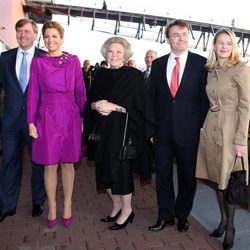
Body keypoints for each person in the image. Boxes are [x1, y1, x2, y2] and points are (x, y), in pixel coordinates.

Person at [88, 36, 155, 230]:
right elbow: (89, 102)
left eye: (118, 51)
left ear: (125, 54)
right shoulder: (100, 74)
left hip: (124, 130)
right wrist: (95, 106)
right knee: (103, 169)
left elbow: (141, 108)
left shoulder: (133, 75)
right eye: (110, 51)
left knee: (121, 171)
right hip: (102, 129)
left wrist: (114, 107)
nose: (114, 55)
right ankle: (116, 205)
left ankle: (127, 210)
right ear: (105, 53)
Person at [148, 20, 209, 233]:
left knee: (187, 177)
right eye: (175, 35)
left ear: (188, 36)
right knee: (163, 176)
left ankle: (182, 215)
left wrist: (200, 129)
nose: (180, 38)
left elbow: (204, 101)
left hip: (189, 133)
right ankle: (165, 216)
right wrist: (151, 130)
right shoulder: (157, 65)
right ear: (168, 39)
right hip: (162, 132)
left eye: (183, 34)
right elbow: (151, 100)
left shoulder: (202, 64)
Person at [27, 20, 86, 229]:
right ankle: (52, 206)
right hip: (47, 116)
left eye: (54, 36)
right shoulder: (38, 62)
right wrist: (31, 122)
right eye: (47, 36)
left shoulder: (73, 61)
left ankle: (67, 204)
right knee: (50, 164)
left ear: (61, 38)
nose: (50, 40)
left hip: (70, 115)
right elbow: (33, 93)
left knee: (68, 163)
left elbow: (81, 90)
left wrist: (82, 117)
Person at [196, 28, 250, 250]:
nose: (224, 47)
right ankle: (223, 220)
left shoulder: (241, 69)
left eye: (228, 43)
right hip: (212, 126)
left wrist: (240, 139)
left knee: (228, 179)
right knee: (216, 177)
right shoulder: (211, 69)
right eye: (220, 43)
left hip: (230, 129)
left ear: (234, 46)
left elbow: (246, 106)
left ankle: (231, 227)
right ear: (214, 46)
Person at [0, 18, 46, 222]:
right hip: (10, 122)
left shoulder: (45, 58)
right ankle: (7, 205)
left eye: (27, 31)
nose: (22, 35)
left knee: (38, 163)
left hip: (36, 122)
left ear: (35, 35)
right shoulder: (5, 57)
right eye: (19, 31)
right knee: (9, 162)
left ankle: (38, 201)